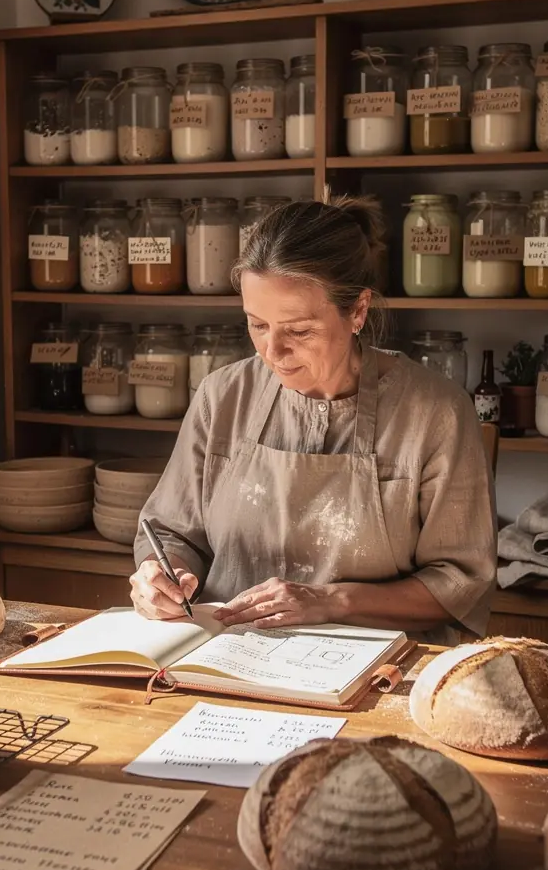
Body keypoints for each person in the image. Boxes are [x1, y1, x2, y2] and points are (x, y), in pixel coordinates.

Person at [130, 196, 496, 645]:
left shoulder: (436, 413)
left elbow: (460, 583)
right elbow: (172, 531)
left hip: (376, 663)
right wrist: (162, 575)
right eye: (257, 325)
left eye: (299, 330)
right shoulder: (222, 396)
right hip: (228, 651)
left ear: (358, 310)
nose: (272, 352)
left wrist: (331, 600)